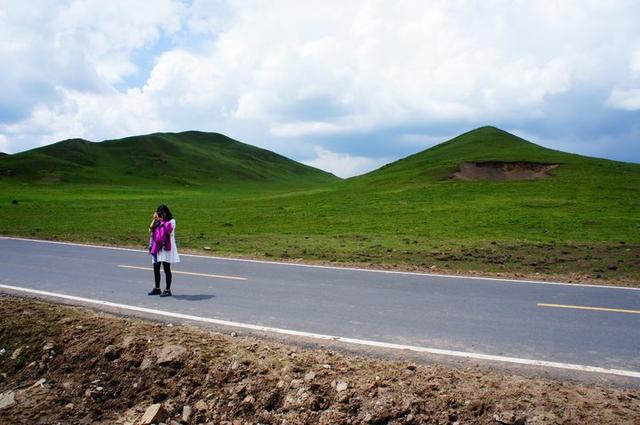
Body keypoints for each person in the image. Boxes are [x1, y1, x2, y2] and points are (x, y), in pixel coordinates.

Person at [147, 204, 180, 297]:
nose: (161, 215)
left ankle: (167, 289)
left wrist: (162, 220)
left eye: (162, 213)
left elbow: (167, 231)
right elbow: (150, 230)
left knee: (166, 268)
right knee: (156, 267)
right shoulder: (157, 221)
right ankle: (157, 288)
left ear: (166, 213)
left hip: (166, 248)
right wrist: (154, 219)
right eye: (159, 213)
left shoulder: (172, 221)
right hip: (157, 247)